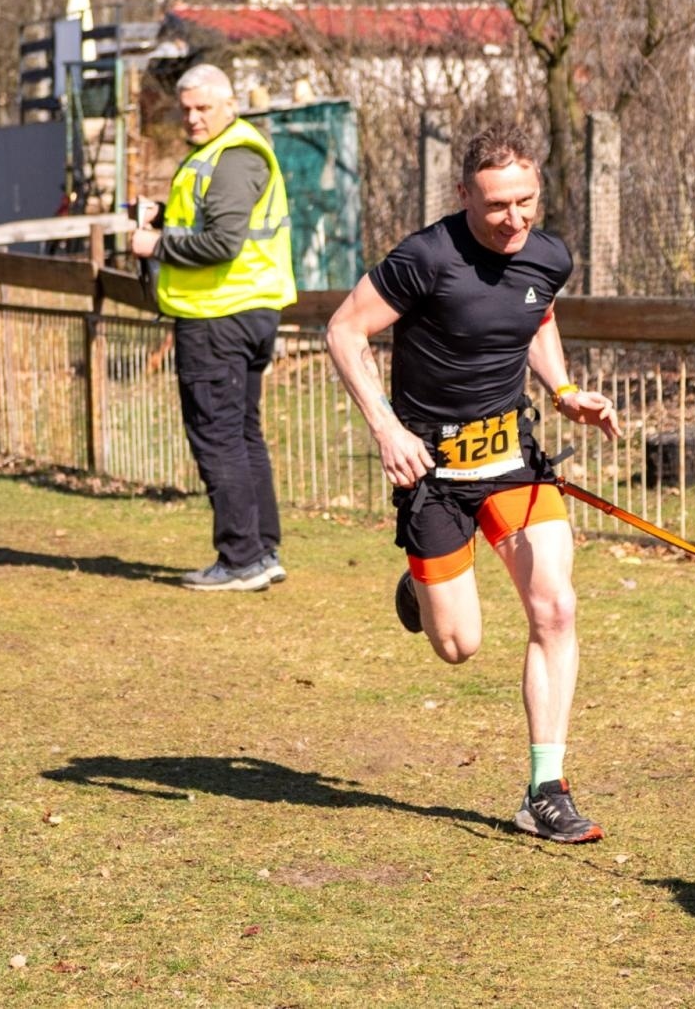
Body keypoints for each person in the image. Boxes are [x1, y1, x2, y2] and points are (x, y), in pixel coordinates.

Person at [324, 124, 620, 843]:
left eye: (526, 200)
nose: (515, 218)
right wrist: (388, 430)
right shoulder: (426, 258)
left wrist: (563, 387)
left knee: (555, 606)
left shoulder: (547, 254)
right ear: (464, 196)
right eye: (497, 206)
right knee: (457, 646)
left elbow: (536, 313)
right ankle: (423, 590)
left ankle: (545, 789)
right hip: (432, 472)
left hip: (510, 461)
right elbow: (343, 331)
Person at [132, 64, 295, 592]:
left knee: (218, 437)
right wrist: (163, 218)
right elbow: (215, 225)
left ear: (229, 105)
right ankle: (261, 550)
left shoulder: (232, 157)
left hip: (217, 316)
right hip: (245, 311)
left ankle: (241, 558)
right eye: (186, 109)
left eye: (203, 108)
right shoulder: (228, 153)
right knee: (243, 434)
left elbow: (223, 244)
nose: (193, 117)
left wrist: (154, 245)